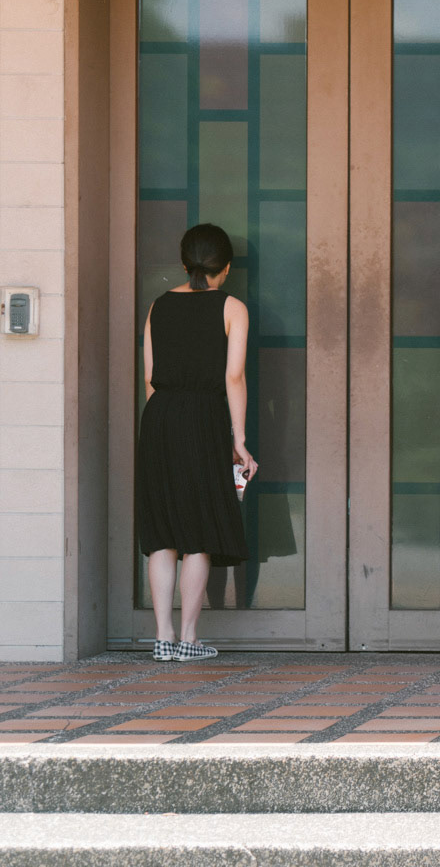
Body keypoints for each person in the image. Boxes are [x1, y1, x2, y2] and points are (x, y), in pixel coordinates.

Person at [134, 223, 257, 662]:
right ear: (226, 268)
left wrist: (163, 418)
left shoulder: (158, 305)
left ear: (184, 264)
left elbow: (150, 380)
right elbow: (234, 377)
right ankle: (188, 638)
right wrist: (239, 438)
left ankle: (162, 638)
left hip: (159, 418)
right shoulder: (232, 308)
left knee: (162, 532)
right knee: (197, 531)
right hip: (204, 418)